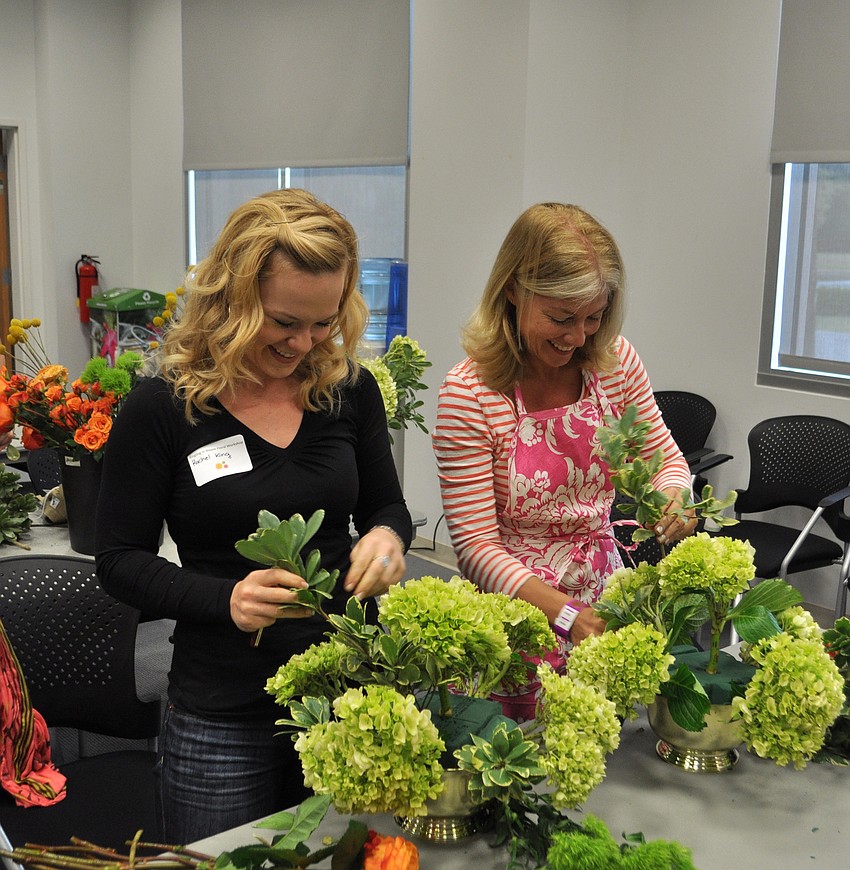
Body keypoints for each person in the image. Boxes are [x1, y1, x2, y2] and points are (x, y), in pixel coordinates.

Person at [96, 188, 412, 843]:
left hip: (347, 696)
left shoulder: (348, 389)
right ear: (233, 299)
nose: (306, 342)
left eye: (324, 322)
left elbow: (386, 506)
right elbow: (119, 560)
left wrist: (386, 537)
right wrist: (227, 599)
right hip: (221, 713)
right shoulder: (164, 407)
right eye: (285, 322)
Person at [432, 202, 693, 719]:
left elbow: (667, 460)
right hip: (515, 613)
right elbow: (476, 548)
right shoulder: (471, 394)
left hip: (603, 596)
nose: (578, 338)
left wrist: (673, 498)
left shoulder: (614, 362)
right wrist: (568, 614)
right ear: (513, 289)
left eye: (594, 318)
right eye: (561, 317)